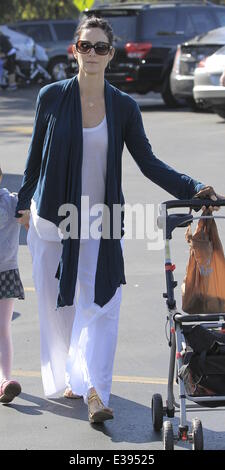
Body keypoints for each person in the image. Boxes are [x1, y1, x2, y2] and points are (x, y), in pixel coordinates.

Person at [15, 16, 221, 424]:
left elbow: (148, 162)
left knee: (103, 303)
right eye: (85, 46)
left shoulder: (123, 107)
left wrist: (193, 186)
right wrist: (23, 202)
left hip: (100, 221)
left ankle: (96, 391)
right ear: (74, 50)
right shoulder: (51, 96)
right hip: (53, 218)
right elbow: (35, 157)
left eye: (101, 47)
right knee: (61, 311)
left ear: (111, 53)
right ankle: (73, 377)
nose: (92, 54)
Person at [0, 167, 24, 403]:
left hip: (6, 271)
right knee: (3, 329)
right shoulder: (13, 202)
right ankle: (5, 378)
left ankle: (4, 380)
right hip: (7, 271)